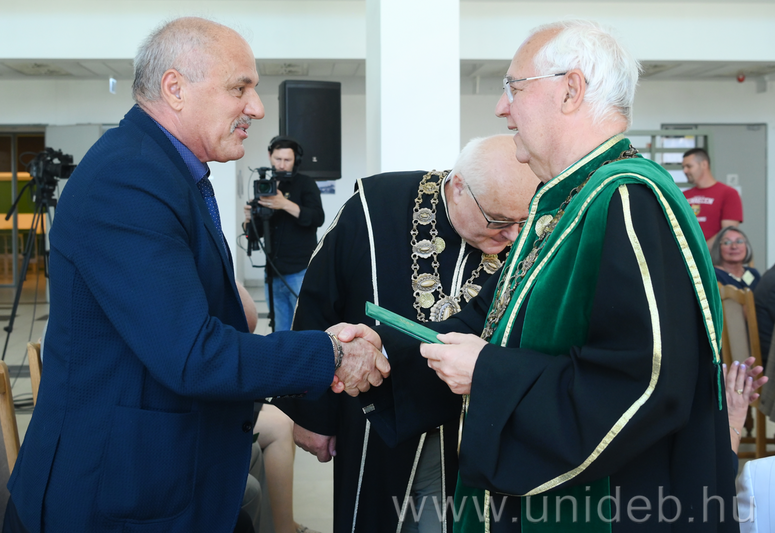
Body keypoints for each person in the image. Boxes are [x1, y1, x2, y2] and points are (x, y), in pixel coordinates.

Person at [339, 19, 739, 532]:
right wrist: (383, 350)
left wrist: (488, 373)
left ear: (570, 90)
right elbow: (493, 321)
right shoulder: (569, 200)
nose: (501, 107)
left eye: (514, 87)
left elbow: (645, 382)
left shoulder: (627, 199)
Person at [3, 17, 388, 533]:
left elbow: (206, 320)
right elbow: (192, 355)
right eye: (240, 88)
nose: (256, 107)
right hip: (107, 496)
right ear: (175, 89)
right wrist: (331, 353)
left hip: (160, 469)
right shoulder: (129, 179)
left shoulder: (166, 172)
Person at [276, 135, 540, 533]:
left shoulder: (527, 234)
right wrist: (312, 413)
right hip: (372, 419)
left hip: (471, 428)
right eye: (500, 221)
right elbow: (319, 301)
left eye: (523, 222)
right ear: (458, 187)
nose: (514, 236)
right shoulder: (375, 206)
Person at [244, 137, 325, 331]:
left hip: (300, 271)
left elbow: (317, 218)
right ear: (270, 156)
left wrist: (285, 204)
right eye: (278, 159)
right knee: (281, 329)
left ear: (296, 160)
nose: (281, 165)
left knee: (305, 326)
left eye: (287, 160)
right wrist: (248, 219)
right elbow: (254, 234)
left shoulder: (305, 184)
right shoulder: (265, 187)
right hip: (273, 271)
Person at [681, 147, 743, 248]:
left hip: (714, 255)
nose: (685, 171)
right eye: (683, 167)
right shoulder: (683, 195)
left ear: (704, 164)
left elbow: (728, 231)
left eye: (689, 166)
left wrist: (702, 251)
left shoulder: (729, 193)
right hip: (687, 254)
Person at [711, 226, 760, 290]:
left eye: (739, 241)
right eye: (727, 242)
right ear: (718, 248)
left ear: (747, 246)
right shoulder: (713, 275)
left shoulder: (753, 273)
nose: (734, 246)